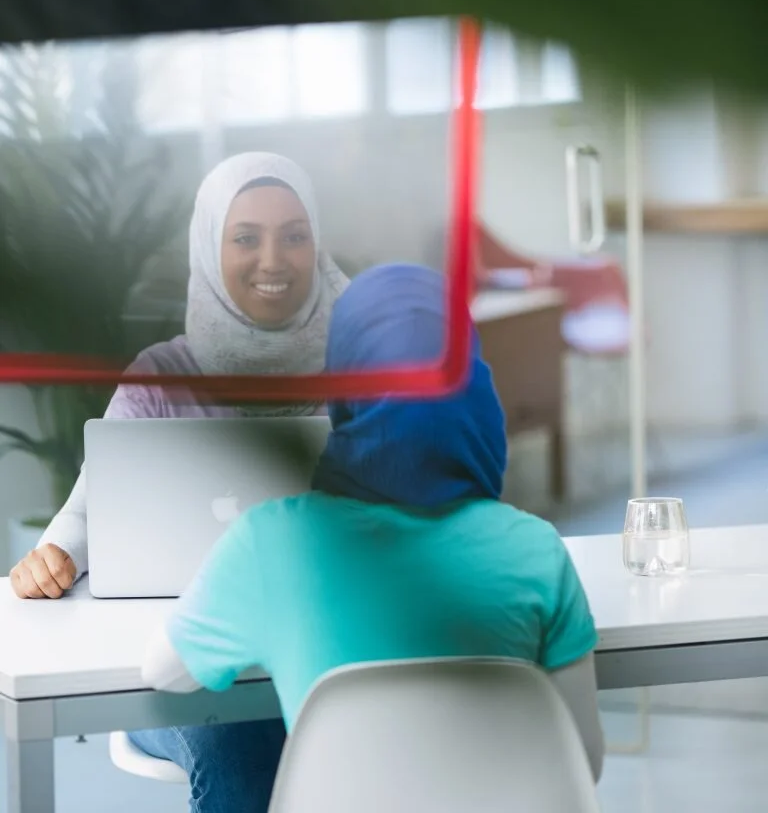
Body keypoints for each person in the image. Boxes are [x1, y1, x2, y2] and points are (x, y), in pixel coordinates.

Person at [141, 262, 604, 804]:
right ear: (474, 385)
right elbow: (582, 762)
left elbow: (163, 672)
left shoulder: (271, 542)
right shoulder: (537, 550)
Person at [10, 150, 348, 813]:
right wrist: (54, 556)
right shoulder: (161, 376)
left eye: (294, 235)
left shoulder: (364, 364)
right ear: (209, 248)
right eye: (245, 237)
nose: (272, 259)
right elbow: (87, 513)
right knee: (243, 740)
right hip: (187, 674)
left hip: (334, 646)